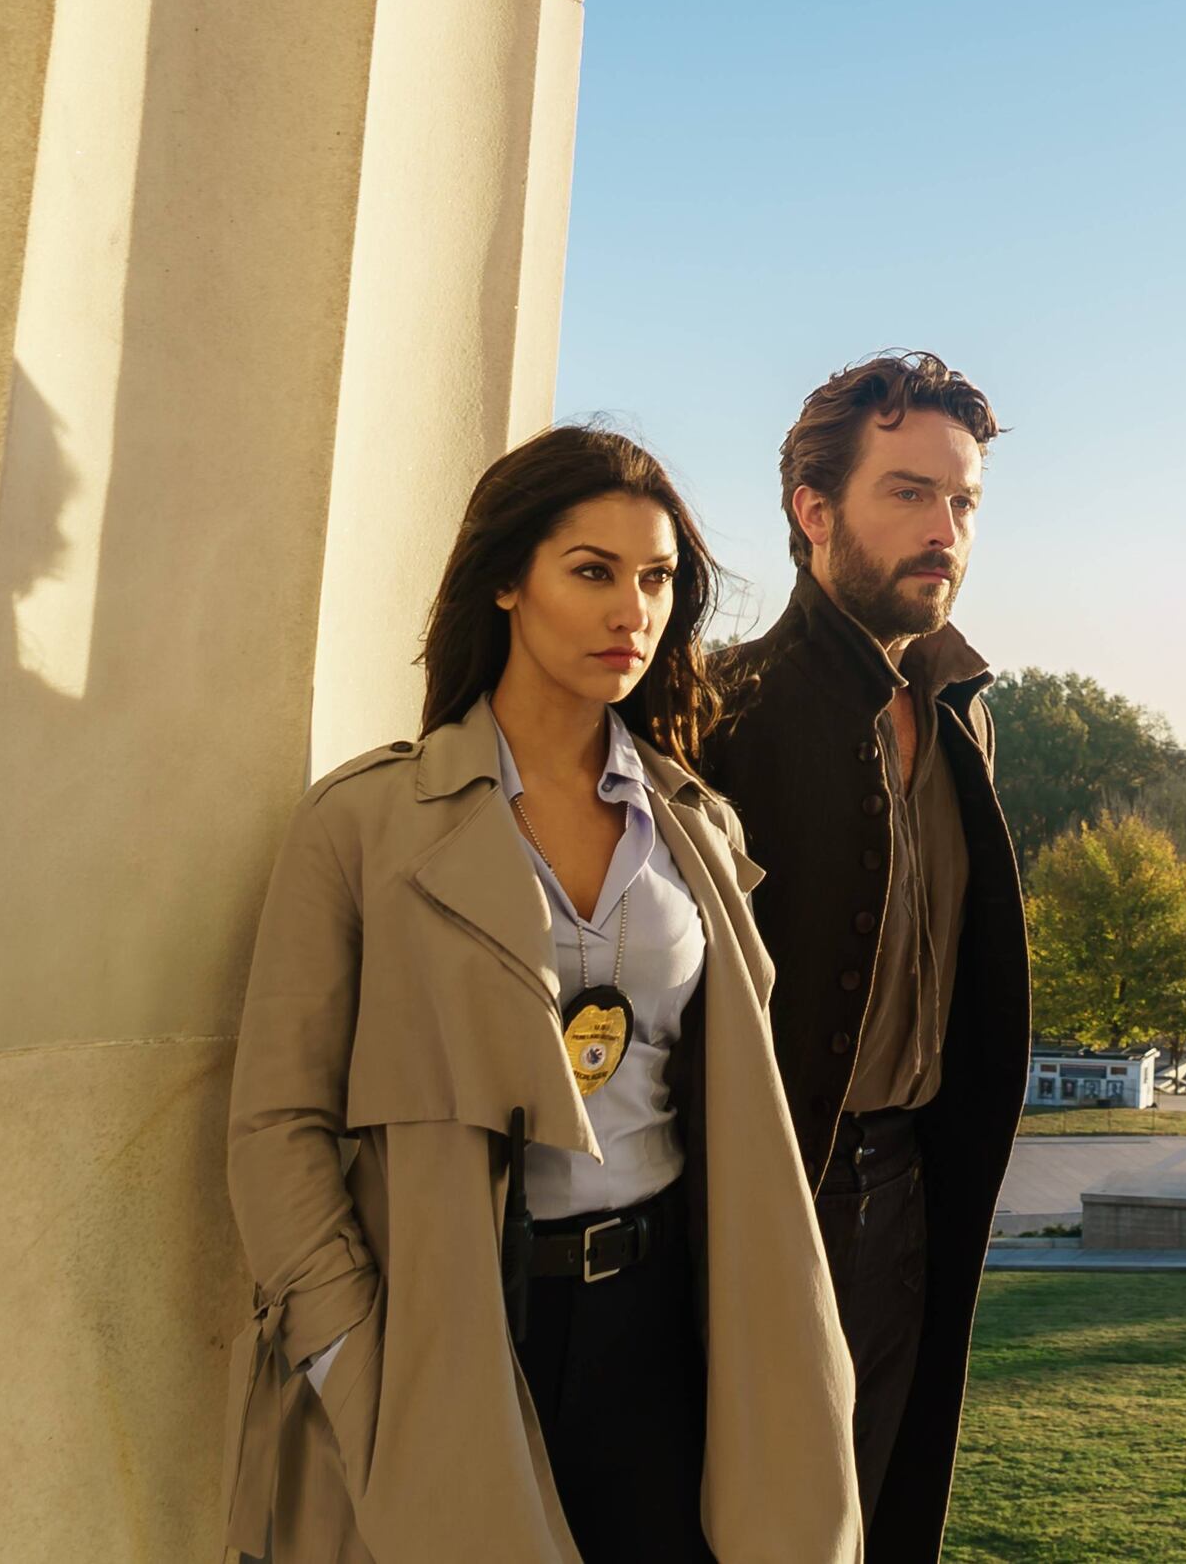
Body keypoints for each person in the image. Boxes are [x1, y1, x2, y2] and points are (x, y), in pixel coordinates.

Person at [221, 426, 857, 1564]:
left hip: (667, 1318)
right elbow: (276, 1123)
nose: (633, 611)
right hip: (456, 1323)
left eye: (658, 579)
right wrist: (350, 1354)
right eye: (593, 572)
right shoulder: (361, 826)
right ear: (508, 581)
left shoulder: (697, 829)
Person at [703, 354, 1025, 1564]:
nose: (945, 532)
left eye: (965, 503)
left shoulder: (960, 710)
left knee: (873, 1523)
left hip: (908, 1196)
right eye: (909, 494)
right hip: (763, 1210)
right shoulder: (715, 711)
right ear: (814, 510)